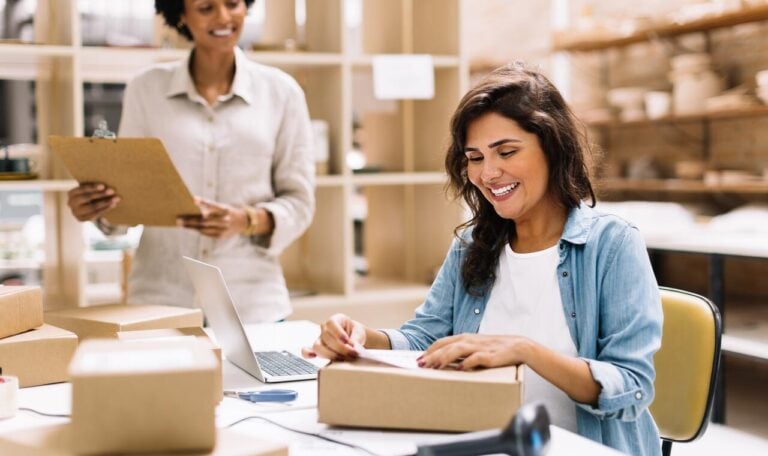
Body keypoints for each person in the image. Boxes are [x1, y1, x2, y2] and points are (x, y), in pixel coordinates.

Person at [303, 63, 663, 456]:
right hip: (479, 442)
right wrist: (361, 337)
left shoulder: (611, 244)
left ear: (552, 146)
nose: (488, 173)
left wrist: (525, 351)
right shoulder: (475, 244)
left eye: (506, 152)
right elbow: (426, 339)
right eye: (474, 157)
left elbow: (631, 387)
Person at [67, 0, 315, 323]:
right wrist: (99, 208)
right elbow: (127, 204)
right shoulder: (146, 89)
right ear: (181, 14)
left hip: (253, 306)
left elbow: (300, 202)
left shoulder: (282, 93)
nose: (224, 17)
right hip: (160, 302)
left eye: (232, 4)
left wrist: (246, 220)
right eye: (206, 7)